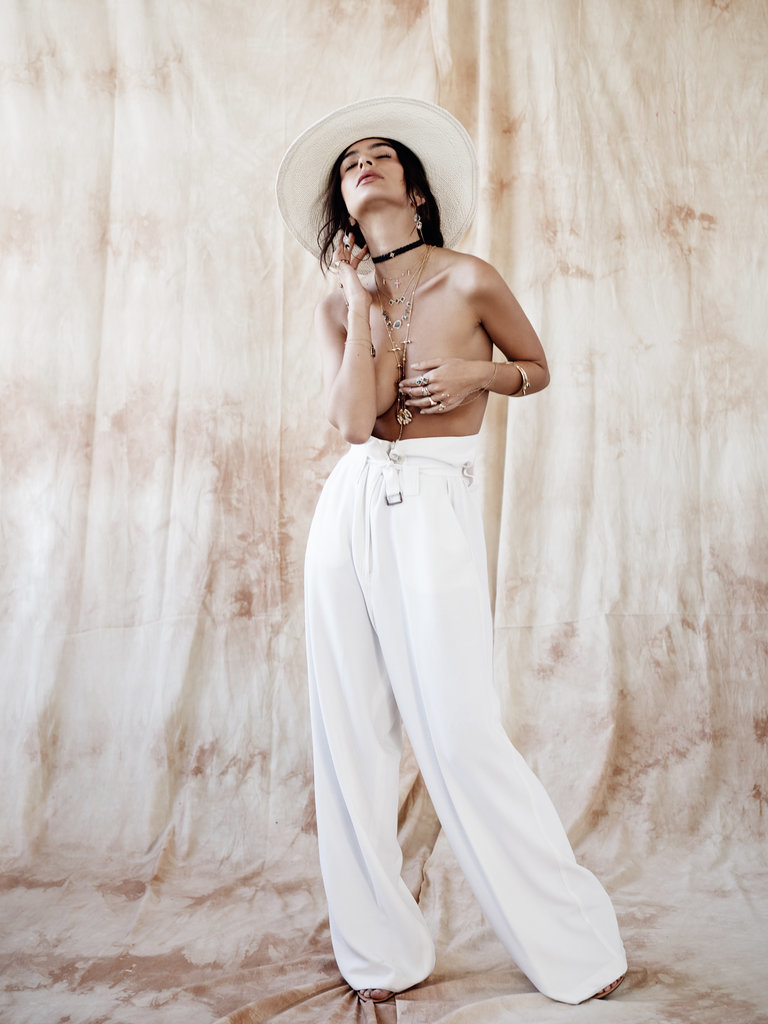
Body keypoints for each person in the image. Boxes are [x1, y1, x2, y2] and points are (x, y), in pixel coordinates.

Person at [276, 96, 627, 1006]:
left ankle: (575, 950)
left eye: (382, 154)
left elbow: (537, 367)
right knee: (349, 733)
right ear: (343, 202)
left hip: (434, 502)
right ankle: (380, 956)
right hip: (352, 509)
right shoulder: (337, 305)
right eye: (349, 161)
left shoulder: (469, 281)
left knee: (461, 729)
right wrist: (361, 303)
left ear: (418, 192)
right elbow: (355, 423)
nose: (363, 163)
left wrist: (480, 373)